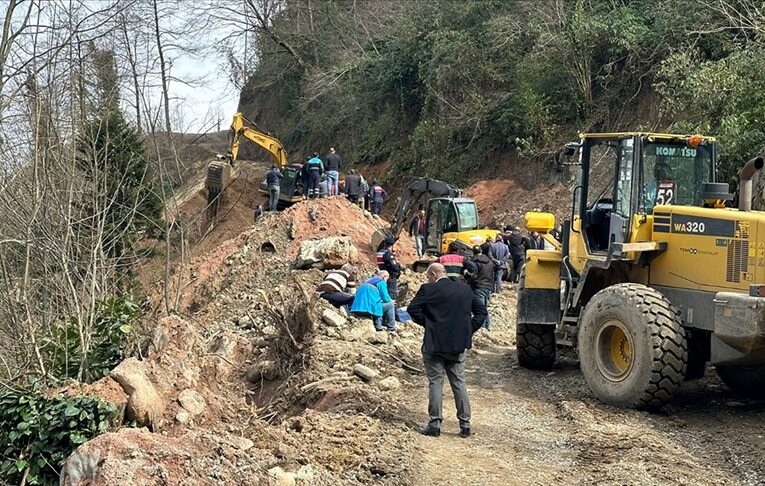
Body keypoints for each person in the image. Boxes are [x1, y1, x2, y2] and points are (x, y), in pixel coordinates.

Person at [408, 263, 487, 438]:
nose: (428, 280)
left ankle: (434, 425)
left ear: (434, 275)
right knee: (459, 383)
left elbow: (412, 309)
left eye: (428, 276)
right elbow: (481, 312)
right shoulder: (465, 290)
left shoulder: (428, 289)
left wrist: (429, 325)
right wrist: (468, 329)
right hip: (458, 345)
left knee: (436, 382)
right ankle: (465, 425)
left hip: (434, 344)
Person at [471, 244, 495, 329]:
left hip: (479, 286)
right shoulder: (490, 262)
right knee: (484, 308)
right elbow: (492, 275)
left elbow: (474, 276)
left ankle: (482, 327)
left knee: (480, 309)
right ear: (481, 251)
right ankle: (487, 326)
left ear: (473, 253)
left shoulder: (475, 262)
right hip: (488, 287)